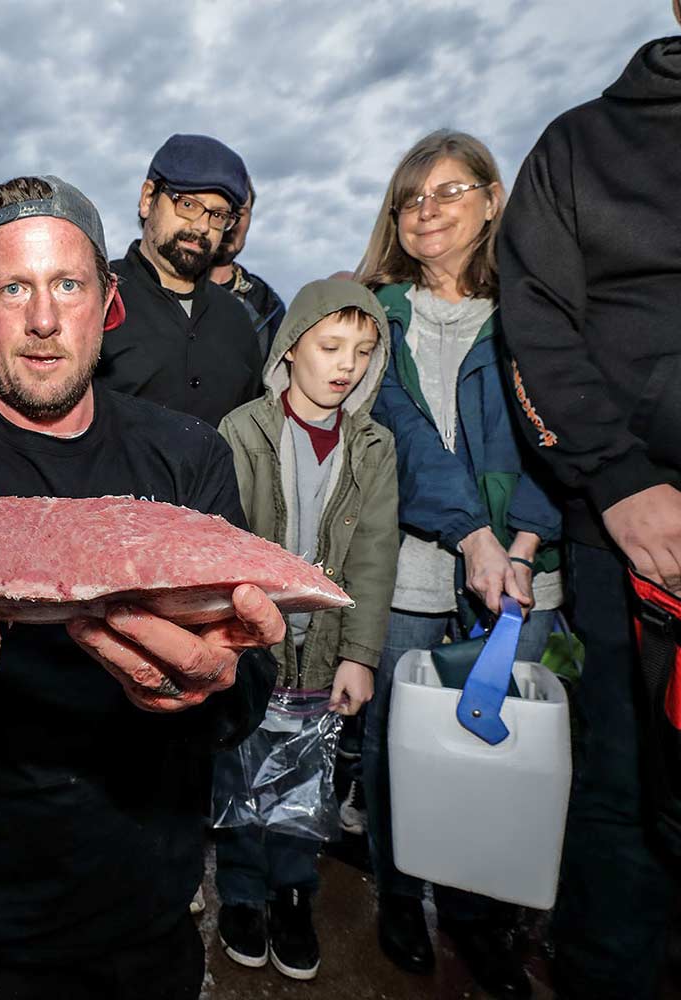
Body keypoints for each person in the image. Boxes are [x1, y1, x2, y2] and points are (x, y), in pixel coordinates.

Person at [0, 174, 284, 1000]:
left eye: (67, 284)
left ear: (108, 301)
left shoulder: (190, 458)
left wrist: (214, 685)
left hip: (140, 915)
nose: (41, 321)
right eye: (13, 288)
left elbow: (247, 677)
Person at [499, 3, 681, 996]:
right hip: (642, 550)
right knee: (625, 807)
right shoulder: (582, 144)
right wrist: (617, 479)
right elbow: (534, 324)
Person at [357, 130, 564, 1000]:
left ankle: (480, 919)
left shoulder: (540, 304)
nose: (428, 210)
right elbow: (398, 435)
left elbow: (560, 431)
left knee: (498, 744)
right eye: (412, 198)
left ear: (489, 198)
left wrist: (518, 542)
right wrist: (469, 537)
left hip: (524, 571)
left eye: (449, 191)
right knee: (395, 737)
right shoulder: (377, 311)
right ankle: (400, 891)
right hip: (413, 562)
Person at [212, 278, 398, 980]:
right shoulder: (242, 431)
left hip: (323, 657)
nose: (345, 363)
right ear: (291, 350)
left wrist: (361, 655)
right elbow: (220, 544)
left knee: (304, 783)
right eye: (330, 345)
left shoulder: (375, 448)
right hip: (250, 649)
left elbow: (377, 553)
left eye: (363, 350)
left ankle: (293, 893)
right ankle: (240, 894)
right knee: (240, 775)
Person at [98, 133, 262, 426]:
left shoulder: (238, 323)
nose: (201, 226)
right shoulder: (95, 301)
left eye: (218, 215)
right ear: (148, 198)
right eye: (187, 204)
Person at [209, 179, 287, 365]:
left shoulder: (269, 306)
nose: (229, 223)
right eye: (220, 212)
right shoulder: (168, 289)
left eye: (239, 213)